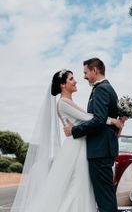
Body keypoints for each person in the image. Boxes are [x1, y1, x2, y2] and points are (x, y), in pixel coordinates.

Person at [11, 69, 123, 212]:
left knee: (78, 187)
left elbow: (88, 118)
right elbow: (89, 118)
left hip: (80, 146)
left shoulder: (68, 102)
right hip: (76, 148)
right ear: (63, 85)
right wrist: (112, 120)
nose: (75, 81)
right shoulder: (63, 102)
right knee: (77, 186)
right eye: (71, 79)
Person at [64, 58, 121, 212]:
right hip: (103, 148)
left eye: (85, 72)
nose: (84, 77)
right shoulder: (106, 88)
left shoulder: (102, 89)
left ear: (94, 70)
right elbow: (104, 119)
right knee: (106, 195)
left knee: (104, 198)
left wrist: (74, 131)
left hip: (100, 150)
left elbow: (98, 120)